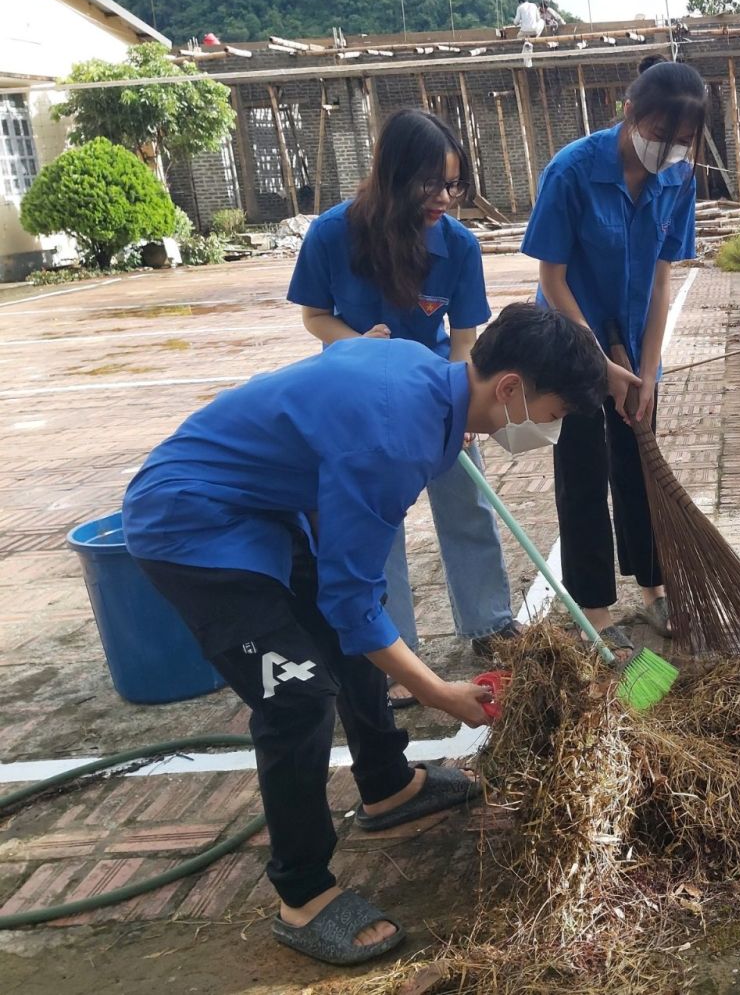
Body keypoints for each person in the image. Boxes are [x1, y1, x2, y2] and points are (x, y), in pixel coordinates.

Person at [122, 303, 606, 966]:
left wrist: (348, 593)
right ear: (511, 388)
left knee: (350, 628)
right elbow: (351, 598)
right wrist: (437, 692)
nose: (554, 425)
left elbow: (347, 578)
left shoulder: (424, 376)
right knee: (297, 696)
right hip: (190, 521)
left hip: (260, 506)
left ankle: (387, 783)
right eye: (557, 411)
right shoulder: (395, 438)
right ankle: (302, 894)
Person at [288, 108, 517, 706]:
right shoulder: (332, 234)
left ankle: (490, 621)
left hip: (436, 393)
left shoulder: (458, 245)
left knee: (467, 501)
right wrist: (358, 347)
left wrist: (463, 405)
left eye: (453, 184)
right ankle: (392, 651)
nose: (445, 198)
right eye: (431, 184)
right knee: (373, 523)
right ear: (393, 176)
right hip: (355, 403)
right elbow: (315, 315)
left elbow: (464, 335)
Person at [519, 55, 702, 645]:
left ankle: (653, 586)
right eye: (659, 134)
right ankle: (594, 610)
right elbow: (552, 280)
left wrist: (646, 371)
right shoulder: (571, 171)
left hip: (636, 345)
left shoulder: (679, 178)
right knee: (583, 472)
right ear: (629, 114)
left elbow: (661, 278)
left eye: (682, 140)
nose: (668, 150)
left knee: (639, 462)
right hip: (570, 345)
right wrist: (601, 365)